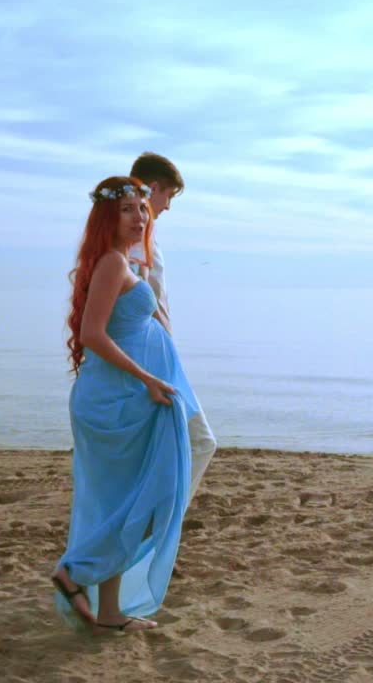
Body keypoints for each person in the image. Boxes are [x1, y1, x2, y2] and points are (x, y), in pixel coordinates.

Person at [49, 176, 200, 634]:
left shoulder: (124, 262)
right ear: (107, 219)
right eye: (128, 210)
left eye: (142, 208)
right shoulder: (112, 264)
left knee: (124, 504)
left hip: (128, 398)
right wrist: (149, 378)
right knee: (125, 503)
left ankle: (110, 612)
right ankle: (73, 573)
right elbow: (93, 336)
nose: (140, 216)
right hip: (116, 399)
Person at [129, 152, 217, 503]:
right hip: (150, 354)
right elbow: (137, 304)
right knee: (200, 442)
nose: (168, 206)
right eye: (169, 196)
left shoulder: (142, 238)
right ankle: (157, 532)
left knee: (163, 448)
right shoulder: (136, 243)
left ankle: (152, 531)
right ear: (153, 189)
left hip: (156, 351)